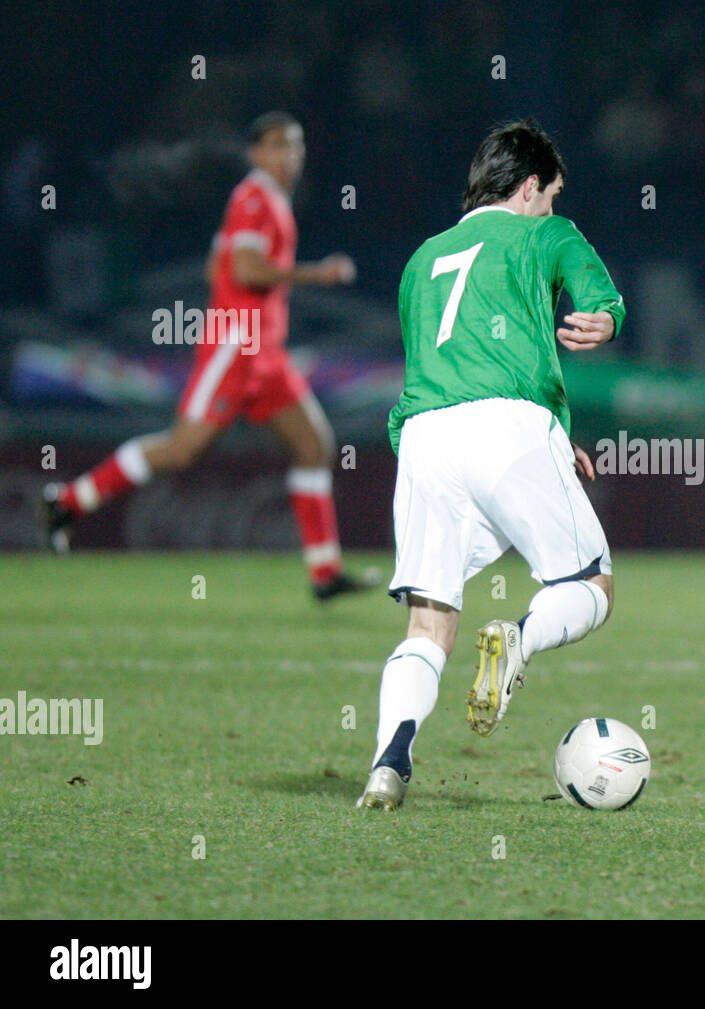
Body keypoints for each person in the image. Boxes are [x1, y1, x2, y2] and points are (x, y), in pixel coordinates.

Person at [358, 118, 625, 811]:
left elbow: (442, 360)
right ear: (531, 187)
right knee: (591, 583)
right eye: (554, 194)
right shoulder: (546, 234)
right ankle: (521, 638)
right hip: (508, 424)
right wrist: (607, 318)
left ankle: (389, 763)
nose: (556, 209)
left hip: (423, 435)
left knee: (429, 621)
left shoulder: (422, 259)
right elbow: (598, 296)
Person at [40, 112, 368, 600]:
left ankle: (324, 574)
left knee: (313, 444)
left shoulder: (261, 200)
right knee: (182, 449)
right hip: (236, 348)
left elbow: (221, 260)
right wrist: (316, 275)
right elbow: (245, 266)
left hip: (264, 352)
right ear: (255, 154)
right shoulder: (256, 196)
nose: (289, 156)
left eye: (296, 146)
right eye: (278, 146)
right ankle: (67, 500)